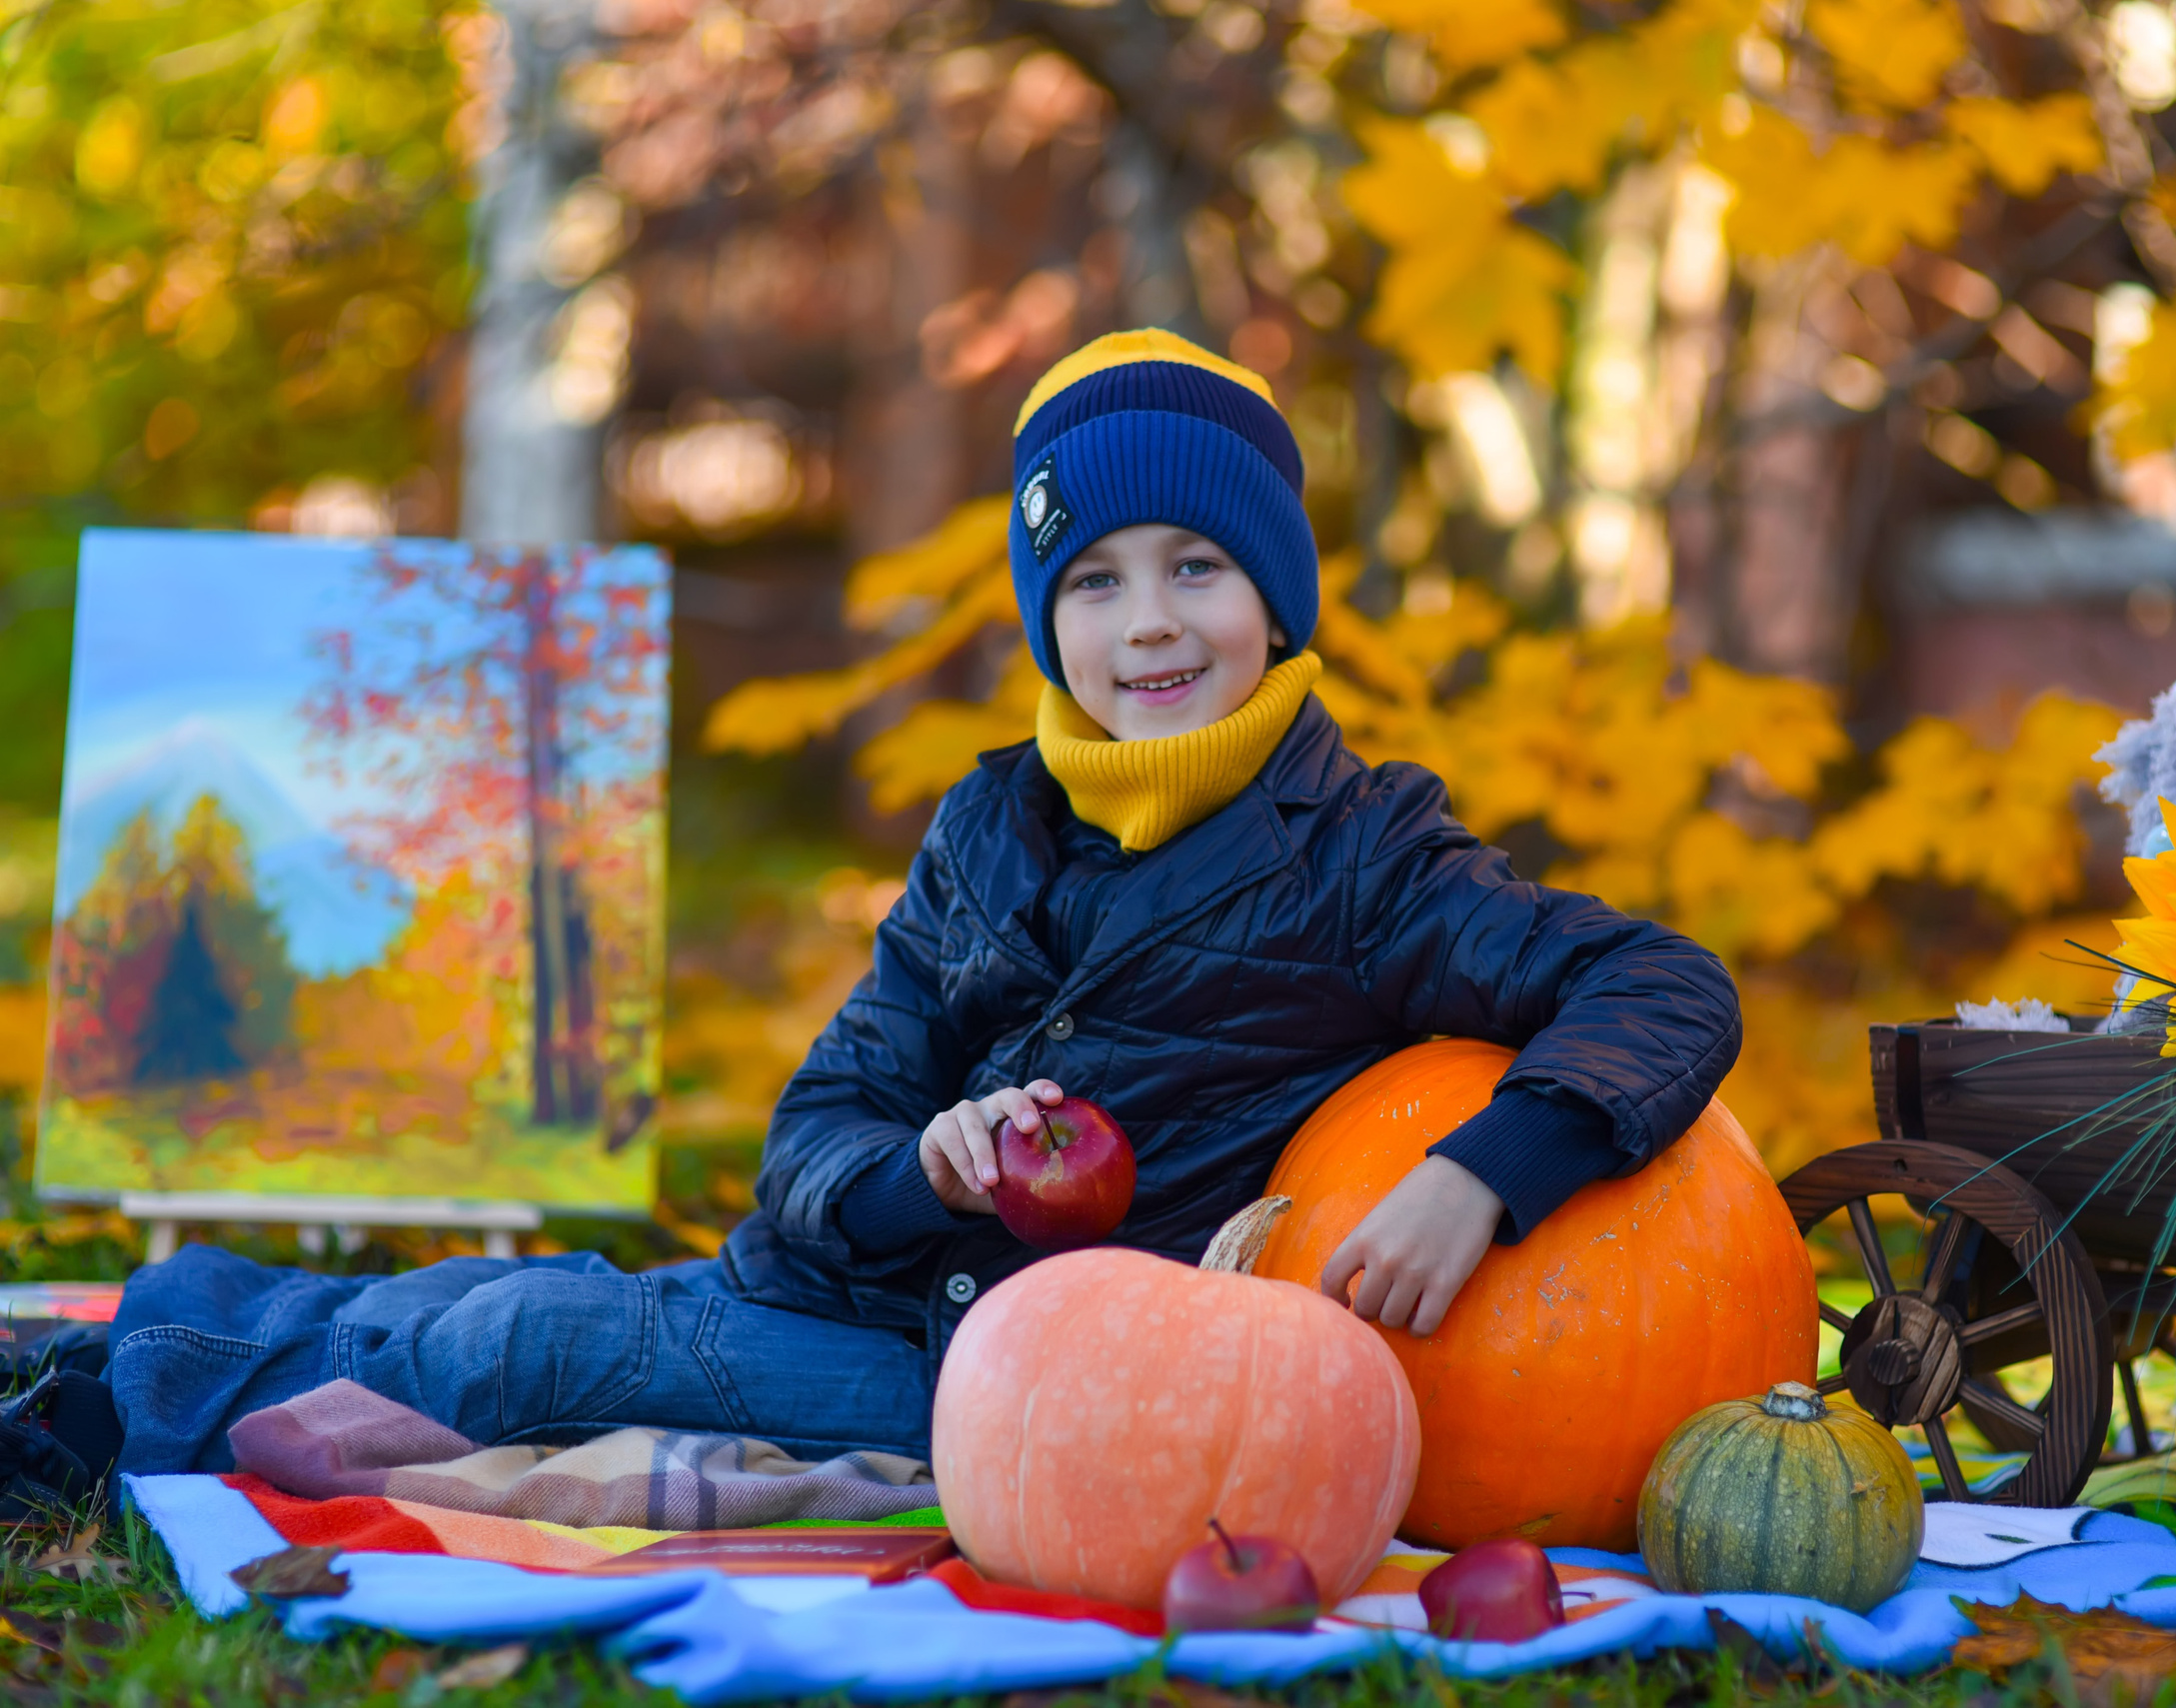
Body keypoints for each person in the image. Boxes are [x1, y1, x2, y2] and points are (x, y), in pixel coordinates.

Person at [46, 330, 1738, 1508]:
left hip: (1023, 1377)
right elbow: (819, 1118)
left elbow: (1659, 981)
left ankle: (99, 1404)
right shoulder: (991, 824)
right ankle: (136, 1342)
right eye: (1092, 581)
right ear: (1045, 616)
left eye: (1197, 568)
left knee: (525, 1337)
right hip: (852, 1282)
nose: (1149, 624)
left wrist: (1485, 1169)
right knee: (481, 1299)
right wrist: (921, 1163)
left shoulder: (1359, 852)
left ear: (1276, 591)